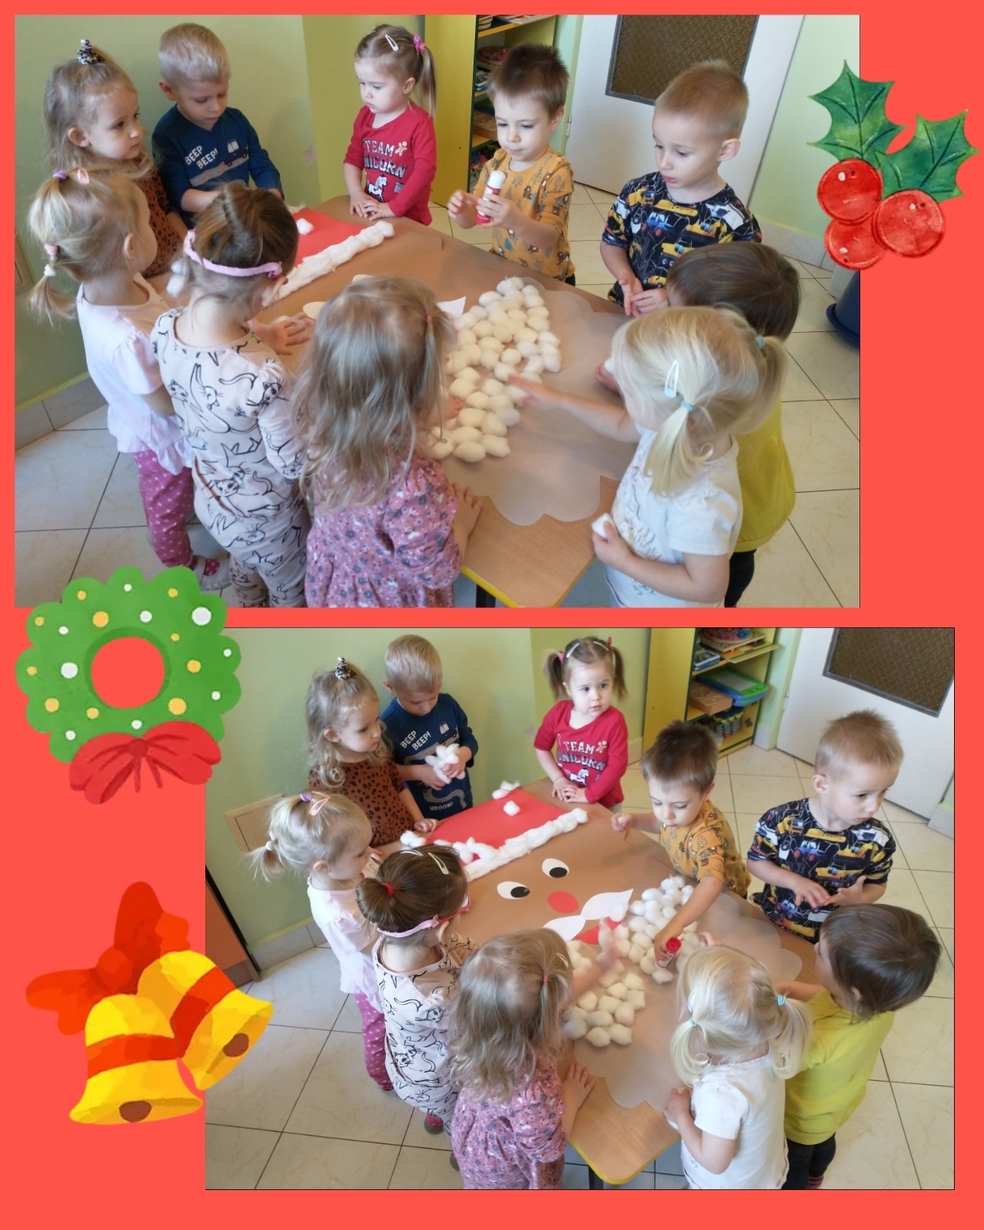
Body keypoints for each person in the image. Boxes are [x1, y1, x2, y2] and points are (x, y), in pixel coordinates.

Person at [27, 168, 226, 590]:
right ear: (132, 247)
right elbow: (164, 404)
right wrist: (207, 391)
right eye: (150, 222)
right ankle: (181, 565)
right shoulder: (125, 338)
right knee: (166, 504)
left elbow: (156, 317)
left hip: (146, 405)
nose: (156, 228)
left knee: (178, 491)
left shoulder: (115, 283)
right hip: (160, 432)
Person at [512, 306, 785, 606]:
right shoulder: (679, 424)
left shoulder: (700, 505)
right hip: (634, 578)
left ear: (674, 413)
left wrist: (625, 562)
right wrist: (562, 401)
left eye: (629, 392)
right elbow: (621, 425)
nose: (622, 394)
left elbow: (707, 588)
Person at [152, 183, 311, 607]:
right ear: (269, 288)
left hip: (213, 499)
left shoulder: (165, 327)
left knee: (245, 563)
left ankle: (247, 608)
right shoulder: (263, 379)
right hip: (271, 522)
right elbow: (295, 463)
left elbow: (213, 369)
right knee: (290, 589)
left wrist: (260, 337)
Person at [290, 276, 482, 607]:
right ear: (419, 393)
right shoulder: (413, 487)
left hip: (337, 579)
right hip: (385, 604)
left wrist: (417, 416)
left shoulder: (321, 421)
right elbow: (437, 571)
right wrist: (461, 525)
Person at [778, 904, 941, 1188]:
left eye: (821, 953)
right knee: (824, 1145)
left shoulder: (819, 1039)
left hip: (801, 1120)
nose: (814, 947)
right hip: (838, 1104)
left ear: (851, 988)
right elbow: (823, 994)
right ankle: (817, 1177)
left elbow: (777, 1063)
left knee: (795, 1161)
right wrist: (784, 989)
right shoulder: (878, 1007)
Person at [448, 929, 615, 1189]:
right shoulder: (532, 1090)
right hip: (507, 1174)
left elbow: (548, 1000)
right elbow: (549, 1148)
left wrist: (601, 968)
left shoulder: (475, 1027)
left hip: (475, 1143)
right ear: (546, 1017)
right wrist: (572, 1095)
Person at [251, 793, 392, 1091]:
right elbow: (381, 951)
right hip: (374, 976)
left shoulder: (346, 871)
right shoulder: (339, 913)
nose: (370, 854)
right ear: (323, 867)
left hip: (379, 950)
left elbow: (367, 876)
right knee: (379, 1029)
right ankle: (382, 1076)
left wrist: (369, 864)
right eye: (360, 853)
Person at [600, 60, 761, 314]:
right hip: (625, 312)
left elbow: (733, 294)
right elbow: (612, 243)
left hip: (684, 327)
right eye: (659, 145)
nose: (664, 162)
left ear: (725, 150)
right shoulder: (637, 192)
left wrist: (673, 299)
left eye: (682, 153)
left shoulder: (735, 225)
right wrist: (625, 276)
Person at [747, 710, 901, 942]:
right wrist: (794, 881)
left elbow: (877, 884)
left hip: (831, 937)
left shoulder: (877, 840)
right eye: (862, 795)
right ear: (822, 785)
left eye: (883, 792)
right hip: (775, 921)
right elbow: (756, 862)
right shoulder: (781, 821)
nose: (874, 806)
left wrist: (859, 899)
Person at [666, 944, 810, 1188]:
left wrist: (680, 1114)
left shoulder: (722, 1092)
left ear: (701, 1029)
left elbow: (714, 1161)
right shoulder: (767, 1038)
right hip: (761, 1172)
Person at [43, 38, 185, 279]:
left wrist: (189, 248)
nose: (136, 131)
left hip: (177, 268)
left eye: (135, 116)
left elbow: (167, 210)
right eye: (119, 124)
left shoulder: (140, 163)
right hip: (137, 286)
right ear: (80, 136)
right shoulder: (86, 195)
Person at [357, 846, 472, 1137]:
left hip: (415, 1065)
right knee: (463, 1121)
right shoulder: (434, 999)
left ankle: (437, 1115)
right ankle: (462, 1148)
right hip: (440, 1081)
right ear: (441, 928)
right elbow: (480, 1022)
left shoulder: (391, 939)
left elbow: (459, 947)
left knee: (443, 1108)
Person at [612, 720, 750, 960]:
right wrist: (634, 820)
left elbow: (712, 883)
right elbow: (661, 824)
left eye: (678, 805)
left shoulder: (706, 834)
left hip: (726, 897)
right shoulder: (672, 815)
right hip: (692, 884)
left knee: (715, 944)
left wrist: (676, 923)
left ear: (706, 792)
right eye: (657, 802)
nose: (666, 814)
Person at [447, 43, 575, 283]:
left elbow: (549, 237)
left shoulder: (557, 172)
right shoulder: (496, 163)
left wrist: (515, 220)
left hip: (548, 280)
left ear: (555, 118)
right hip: (503, 269)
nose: (511, 137)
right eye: (503, 124)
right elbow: (474, 219)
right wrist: (462, 211)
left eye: (525, 125)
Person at [153, 23, 282, 224]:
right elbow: (179, 196)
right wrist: (229, 201)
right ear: (170, 90)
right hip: (205, 232)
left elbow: (262, 165)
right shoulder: (167, 136)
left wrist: (272, 194)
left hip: (242, 222)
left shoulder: (236, 121)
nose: (216, 107)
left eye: (222, 94)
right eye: (201, 100)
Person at [306, 658, 436, 846]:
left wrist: (418, 819)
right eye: (363, 729)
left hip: (406, 838)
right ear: (333, 734)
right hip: (372, 854)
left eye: (376, 719)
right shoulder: (324, 777)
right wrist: (360, 852)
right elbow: (328, 830)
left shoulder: (378, 752)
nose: (376, 732)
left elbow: (400, 788)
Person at [343, 24, 437, 225]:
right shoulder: (364, 116)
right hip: (372, 214)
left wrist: (394, 207)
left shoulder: (419, 123)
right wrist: (356, 193)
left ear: (407, 85)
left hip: (408, 220)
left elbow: (425, 172)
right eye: (362, 83)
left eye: (376, 86)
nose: (367, 93)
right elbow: (352, 160)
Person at [380, 635, 478, 822]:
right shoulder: (387, 726)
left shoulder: (448, 704)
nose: (426, 708)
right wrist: (419, 772)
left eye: (432, 697)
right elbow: (386, 770)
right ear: (390, 686)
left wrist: (462, 756)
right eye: (416, 702)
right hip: (423, 818)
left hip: (462, 804)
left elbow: (469, 740)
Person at [533, 635, 629, 807]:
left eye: (603, 685)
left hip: (604, 805)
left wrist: (588, 794)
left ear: (613, 681)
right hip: (568, 799)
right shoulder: (557, 714)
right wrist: (558, 778)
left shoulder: (615, 721)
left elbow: (618, 765)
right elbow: (541, 747)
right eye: (585, 689)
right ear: (569, 689)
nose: (596, 696)